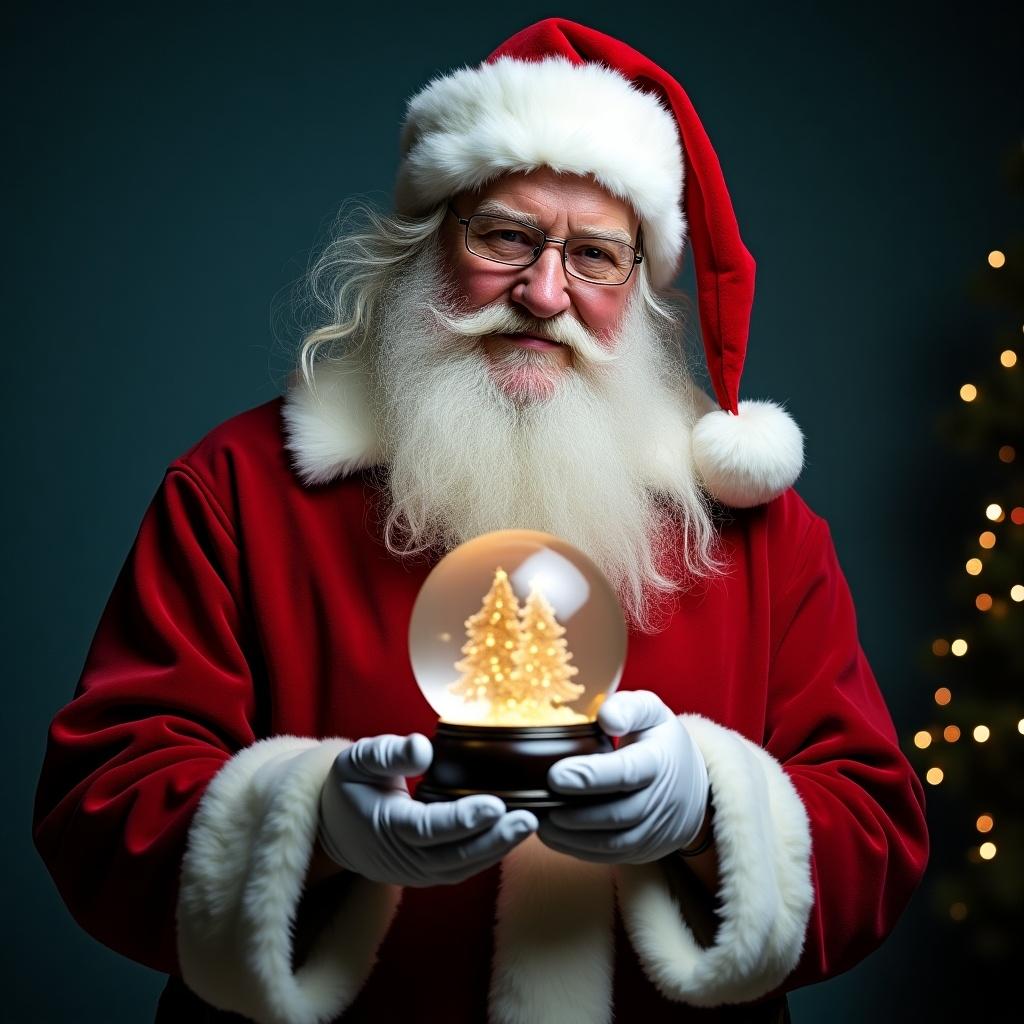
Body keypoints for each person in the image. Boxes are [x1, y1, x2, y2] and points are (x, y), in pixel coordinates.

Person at [32, 17, 930, 1024]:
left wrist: (711, 811)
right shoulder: (239, 487)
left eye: (595, 255)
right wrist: (314, 823)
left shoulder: (755, 530)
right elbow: (99, 808)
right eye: (504, 235)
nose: (544, 293)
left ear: (640, 294)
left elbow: (874, 836)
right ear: (427, 242)